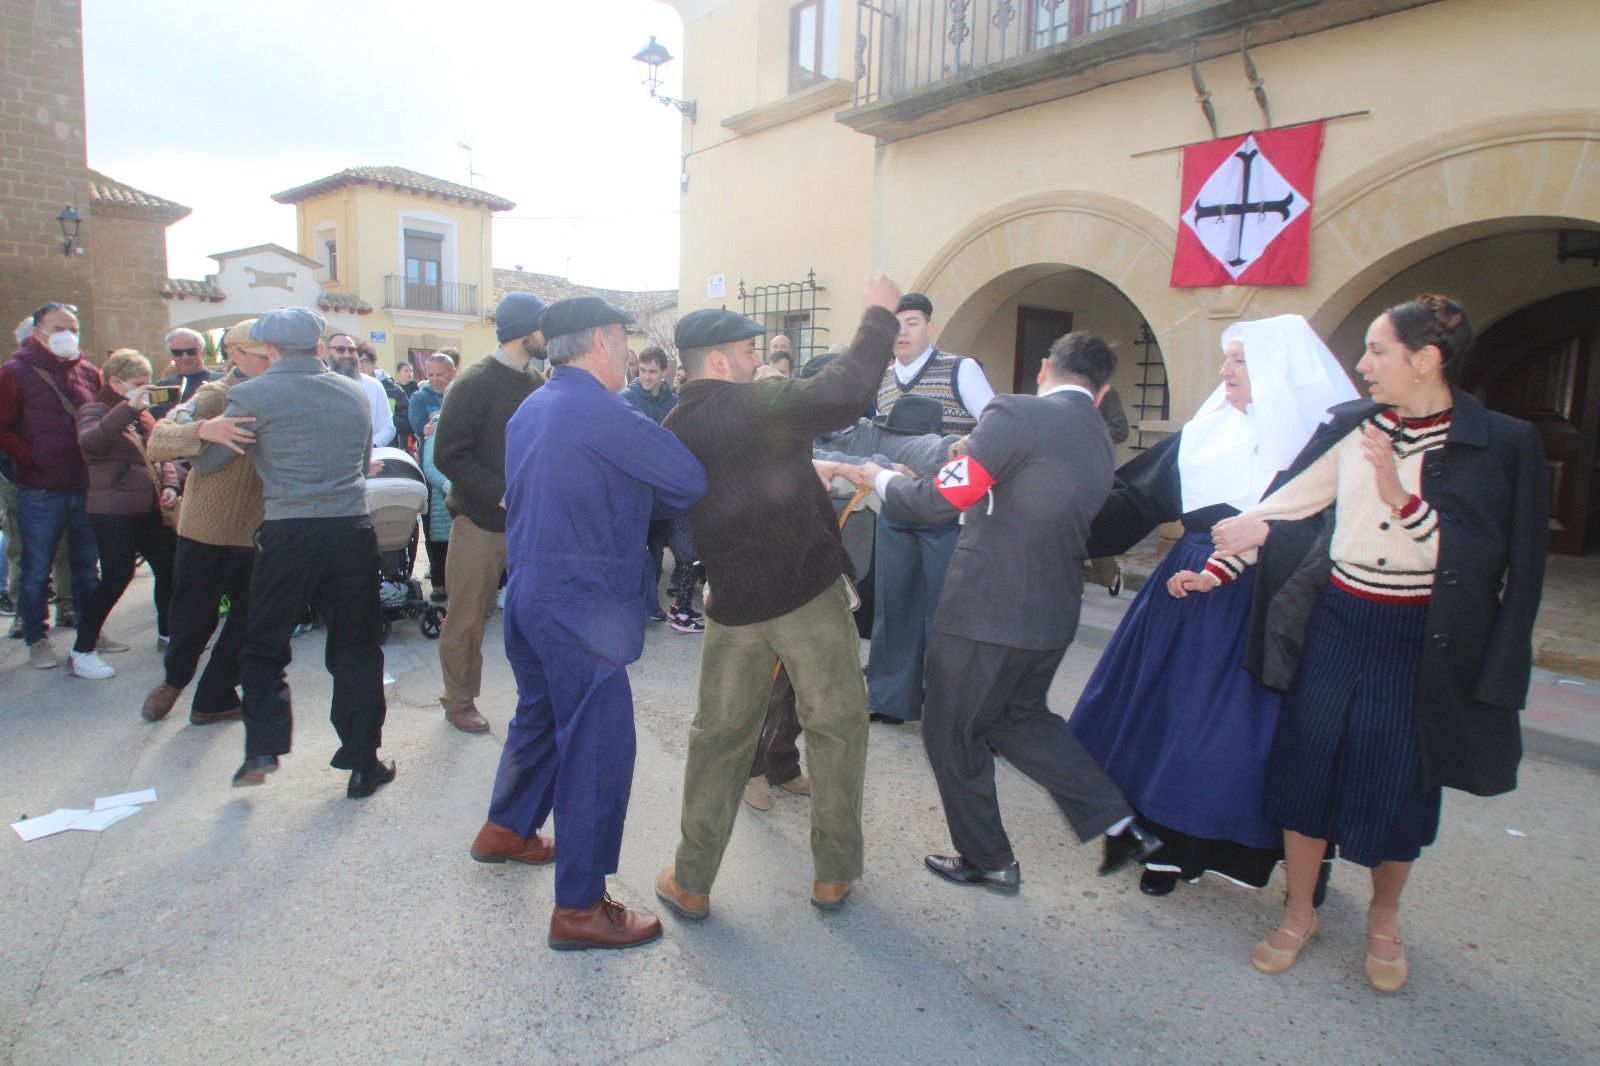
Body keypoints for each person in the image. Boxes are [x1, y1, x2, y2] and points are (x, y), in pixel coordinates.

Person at [1188, 295, 1547, 993]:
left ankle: (1385, 919)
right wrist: (1226, 551)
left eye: (1378, 351)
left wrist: (1399, 495)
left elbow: (1493, 566)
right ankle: (1299, 913)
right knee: (1306, 770)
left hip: (1421, 640)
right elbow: (1294, 499)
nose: (1362, 364)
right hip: (1340, 623)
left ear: (1427, 359)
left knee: (1398, 787)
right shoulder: (1355, 425)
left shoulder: (1500, 443)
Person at [851, 331, 1162, 893]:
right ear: (1103, 389)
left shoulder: (1015, 414)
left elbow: (936, 501)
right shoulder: (1097, 435)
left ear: (1045, 368)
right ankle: (1119, 823)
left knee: (950, 733)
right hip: (1050, 612)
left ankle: (988, 858)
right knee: (1019, 719)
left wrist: (879, 477)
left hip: (986, 612)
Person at [1068, 316, 1358, 897]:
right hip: (1190, 597)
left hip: (1281, 602)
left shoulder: (1326, 447)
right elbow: (1132, 501)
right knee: (1172, 723)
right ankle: (1166, 849)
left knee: (1255, 739)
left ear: (1277, 373)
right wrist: (1059, 525)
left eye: (1241, 361)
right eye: (1228, 359)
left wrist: (1271, 539)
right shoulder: (1204, 433)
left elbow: (1345, 533)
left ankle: (1294, 858)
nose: (1225, 371)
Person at [653, 276, 901, 921]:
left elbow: (742, 475)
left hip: (733, 601)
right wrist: (878, 314)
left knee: (718, 738)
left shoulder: (678, 421)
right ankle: (834, 874)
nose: (756, 360)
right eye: (745, 351)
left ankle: (691, 880)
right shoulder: (755, 403)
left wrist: (806, 468)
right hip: (803, 594)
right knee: (837, 727)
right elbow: (845, 392)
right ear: (716, 362)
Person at [470, 296, 706, 951]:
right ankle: (580, 907)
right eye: (625, 345)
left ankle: (506, 828)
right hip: (582, 602)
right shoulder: (603, 409)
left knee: (540, 720)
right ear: (601, 343)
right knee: (598, 750)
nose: (630, 358)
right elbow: (687, 479)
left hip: (530, 592)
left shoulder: (533, 406)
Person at [191, 307, 393, 798]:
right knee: (356, 647)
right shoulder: (354, 390)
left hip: (288, 530)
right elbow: (365, 456)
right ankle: (363, 761)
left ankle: (263, 746)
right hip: (350, 527)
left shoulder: (251, 394)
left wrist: (199, 427)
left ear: (270, 350)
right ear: (319, 347)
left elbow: (214, 460)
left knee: (263, 644)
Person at [866, 292, 994, 725]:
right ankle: (890, 699)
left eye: (913, 321)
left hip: (947, 510)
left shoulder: (962, 369)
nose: (903, 331)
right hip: (897, 503)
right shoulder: (881, 380)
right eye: (896, 323)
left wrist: (958, 452)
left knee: (947, 611)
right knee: (894, 603)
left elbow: (995, 428)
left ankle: (949, 710)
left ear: (929, 326)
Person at [140, 319, 268, 724]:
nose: (273, 362)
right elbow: (158, 440)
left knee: (252, 622)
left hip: (260, 533)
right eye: (263, 356)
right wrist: (203, 430)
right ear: (235, 355)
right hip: (206, 531)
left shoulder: (285, 394)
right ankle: (174, 682)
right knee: (194, 620)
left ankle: (215, 697)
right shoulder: (215, 394)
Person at [432, 295, 548, 733]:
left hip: (530, 524)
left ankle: (536, 697)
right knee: (466, 616)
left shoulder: (539, 381)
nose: (549, 336)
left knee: (535, 615)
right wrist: (499, 494)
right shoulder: (474, 383)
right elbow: (448, 455)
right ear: (523, 331)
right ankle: (459, 699)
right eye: (543, 327)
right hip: (480, 523)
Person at [0, 303, 104, 668]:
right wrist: (31, 460)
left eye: (73, 328)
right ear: (38, 332)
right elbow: (3, 426)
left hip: (83, 483)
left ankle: (90, 631)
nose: (68, 335)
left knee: (86, 566)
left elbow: (101, 418)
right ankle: (36, 638)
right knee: (35, 568)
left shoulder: (89, 372)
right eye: (60, 327)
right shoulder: (14, 371)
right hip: (40, 488)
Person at [68, 349, 179, 678]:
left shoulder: (143, 415)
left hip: (149, 507)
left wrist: (170, 483)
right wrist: (128, 407)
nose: (146, 389)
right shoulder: (93, 409)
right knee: (117, 577)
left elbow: (162, 451)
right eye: (138, 383)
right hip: (113, 511)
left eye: (149, 382)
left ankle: (168, 633)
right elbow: (91, 443)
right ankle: (82, 651)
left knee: (170, 568)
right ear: (115, 382)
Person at [621, 346, 678, 621]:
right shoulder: (626, 398)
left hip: (661, 486)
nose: (645, 376)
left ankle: (651, 601)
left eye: (651, 371)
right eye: (641, 370)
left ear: (663, 372)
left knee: (656, 544)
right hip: (634, 483)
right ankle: (632, 601)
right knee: (633, 545)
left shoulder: (674, 402)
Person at [326, 332, 395, 447]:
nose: (347, 354)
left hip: (370, 456)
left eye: (352, 350)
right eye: (340, 349)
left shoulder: (374, 386)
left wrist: (368, 448)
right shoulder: (318, 383)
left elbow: (387, 428)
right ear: (328, 351)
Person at [150, 327, 219, 419]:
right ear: (170, 355)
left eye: (191, 351)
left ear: (203, 352)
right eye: (177, 353)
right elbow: (154, 419)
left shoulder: (218, 382)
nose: (185, 357)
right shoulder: (162, 387)